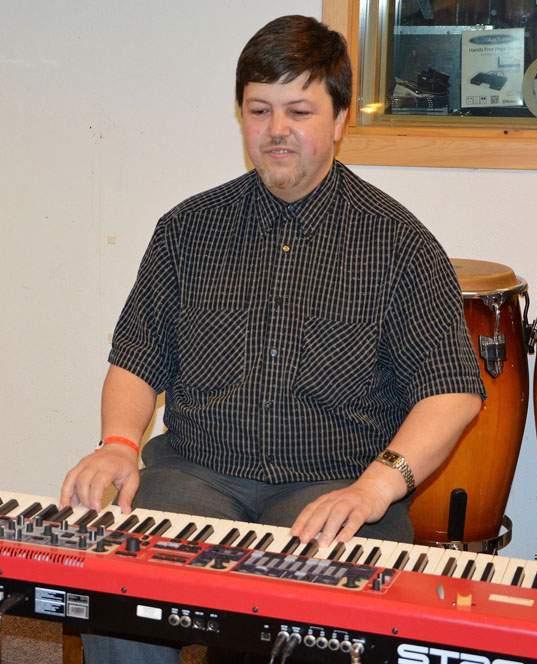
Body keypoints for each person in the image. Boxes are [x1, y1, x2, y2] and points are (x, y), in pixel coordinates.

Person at [60, 14, 485, 664]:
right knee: (114, 588)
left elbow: (452, 392)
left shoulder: (399, 243)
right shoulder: (187, 230)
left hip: (335, 487)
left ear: (340, 119)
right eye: (260, 110)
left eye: (299, 110)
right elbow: (137, 359)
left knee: (310, 625)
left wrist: (374, 488)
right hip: (197, 475)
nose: (277, 131)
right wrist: (119, 445)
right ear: (241, 116)